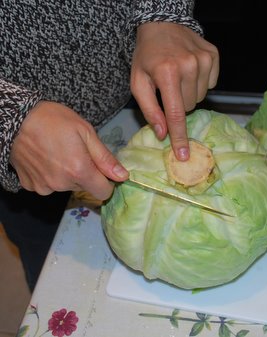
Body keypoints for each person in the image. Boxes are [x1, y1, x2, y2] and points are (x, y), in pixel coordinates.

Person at [0, 0, 219, 291]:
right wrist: (8, 116)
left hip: (130, 100)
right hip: (30, 164)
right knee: (60, 282)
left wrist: (163, 13)